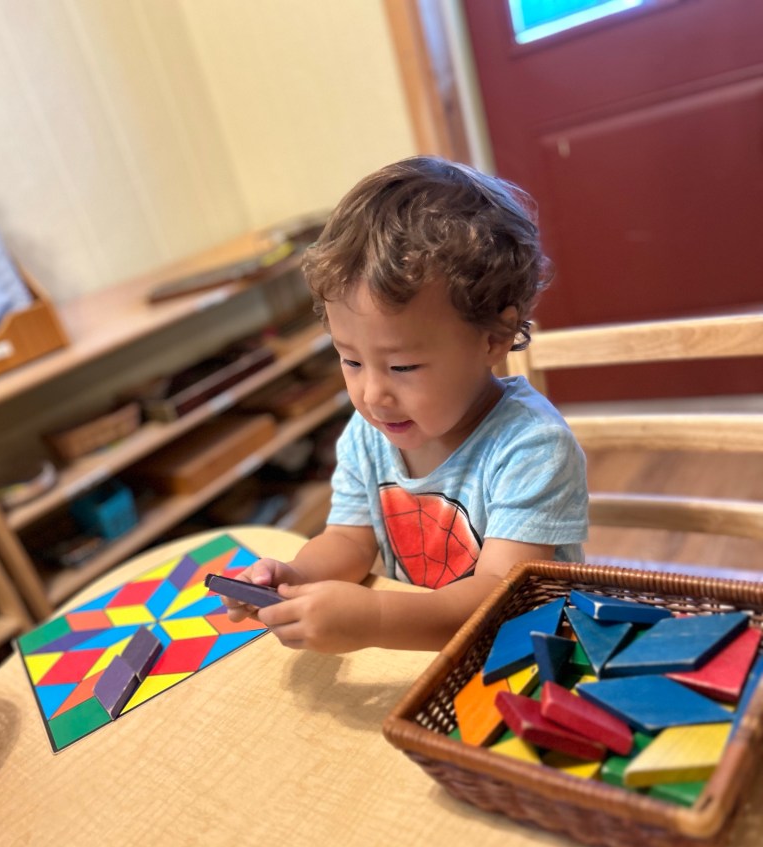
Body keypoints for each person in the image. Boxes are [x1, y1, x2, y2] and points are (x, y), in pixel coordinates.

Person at [225, 156, 588, 653]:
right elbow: (349, 541)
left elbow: (503, 597)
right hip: (422, 652)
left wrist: (373, 618)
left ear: (494, 337)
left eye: (402, 367)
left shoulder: (532, 447)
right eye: (351, 361)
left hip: (528, 653)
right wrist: (294, 576)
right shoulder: (369, 434)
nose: (372, 395)